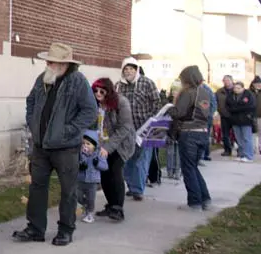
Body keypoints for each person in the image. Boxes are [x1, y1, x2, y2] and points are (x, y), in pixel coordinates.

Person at [13, 43, 97, 246]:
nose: (48, 64)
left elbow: (90, 111)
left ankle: (66, 230)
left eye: (52, 61)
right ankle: (35, 229)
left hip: (66, 148)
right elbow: (31, 101)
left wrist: (69, 130)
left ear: (64, 64)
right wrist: (33, 123)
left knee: (68, 190)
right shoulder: (43, 79)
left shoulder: (77, 82)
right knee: (37, 187)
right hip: (42, 146)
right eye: (48, 61)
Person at [115, 57, 160, 201]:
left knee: (142, 159)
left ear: (137, 70)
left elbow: (157, 102)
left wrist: (152, 120)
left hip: (146, 128)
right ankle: (131, 185)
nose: (128, 72)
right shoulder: (118, 86)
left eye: (131, 69)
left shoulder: (147, 83)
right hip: (127, 130)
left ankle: (138, 189)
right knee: (127, 159)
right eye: (126, 69)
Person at [168, 66, 212, 210]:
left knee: (188, 168)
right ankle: (205, 198)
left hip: (189, 133)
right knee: (193, 167)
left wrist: (168, 107)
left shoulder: (188, 93)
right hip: (203, 132)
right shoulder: (205, 92)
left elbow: (179, 112)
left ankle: (194, 202)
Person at [91, 78, 135, 222]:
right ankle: (110, 205)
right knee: (104, 173)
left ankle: (118, 208)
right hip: (101, 144)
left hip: (121, 144)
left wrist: (108, 147)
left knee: (115, 172)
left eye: (101, 91)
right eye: (95, 90)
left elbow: (125, 127)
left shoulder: (121, 103)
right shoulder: (95, 104)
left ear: (108, 91)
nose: (98, 94)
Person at [77, 130, 108, 223]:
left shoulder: (98, 155)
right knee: (77, 196)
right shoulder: (80, 154)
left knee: (91, 198)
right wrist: (80, 165)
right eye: (83, 143)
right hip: (80, 179)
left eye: (88, 143)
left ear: (94, 145)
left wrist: (97, 163)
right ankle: (84, 205)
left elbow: (105, 167)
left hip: (92, 181)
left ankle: (89, 213)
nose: (85, 146)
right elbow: (74, 163)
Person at [226, 81, 256, 163]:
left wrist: (236, 108)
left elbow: (250, 106)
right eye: (235, 88)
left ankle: (249, 156)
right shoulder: (231, 95)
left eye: (238, 88)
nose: (236, 89)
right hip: (235, 120)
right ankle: (242, 155)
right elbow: (228, 106)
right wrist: (237, 108)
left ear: (243, 88)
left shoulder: (248, 94)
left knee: (247, 138)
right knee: (239, 139)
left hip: (246, 120)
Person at [216, 75, 235, 156]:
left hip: (235, 116)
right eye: (225, 80)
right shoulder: (219, 91)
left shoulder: (237, 89)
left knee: (237, 134)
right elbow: (215, 102)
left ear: (232, 80)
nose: (226, 82)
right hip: (224, 116)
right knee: (225, 134)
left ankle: (240, 150)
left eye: (228, 80)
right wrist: (219, 111)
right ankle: (227, 150)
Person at [250, 76, 261, 155]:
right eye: (256, 83)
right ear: (253, 84)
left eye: (259, 83)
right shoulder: (249, 92)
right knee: (253, 133)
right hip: (252, 116)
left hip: (260, 116)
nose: (258, 85)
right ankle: (253, 148)